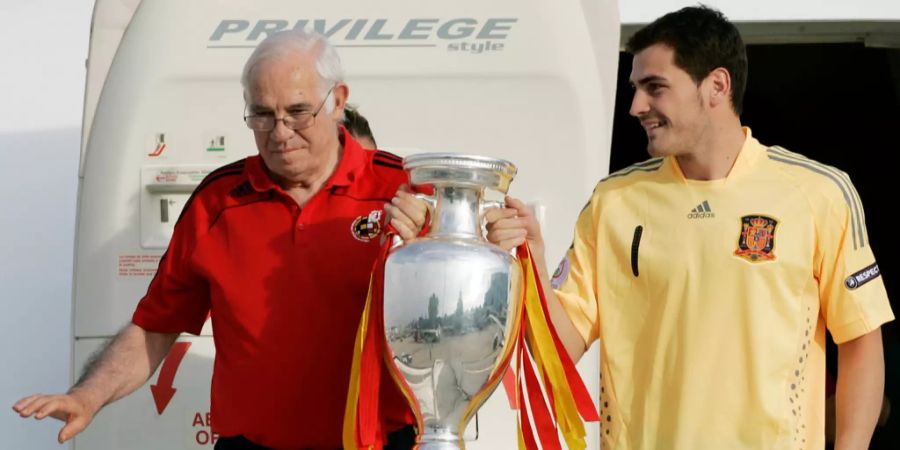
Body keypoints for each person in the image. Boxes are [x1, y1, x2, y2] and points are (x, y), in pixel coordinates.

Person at [479, 6, 894, 449]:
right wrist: (532, 262)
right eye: (636, 89)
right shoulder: (613, 201)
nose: (637, 106)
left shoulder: (818, 192)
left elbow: (861, 339)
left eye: (655, 87)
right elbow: (559, 354)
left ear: (717, 85)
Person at [12, 29, 427, 450]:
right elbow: (155, 329)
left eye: (298, 112)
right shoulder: (218, 200)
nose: (280, 133)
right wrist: (88, 396)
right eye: (262, 115)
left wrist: (495, 240)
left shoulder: (405, 188)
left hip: (378, 443)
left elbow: (464, 313)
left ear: (338, 100)